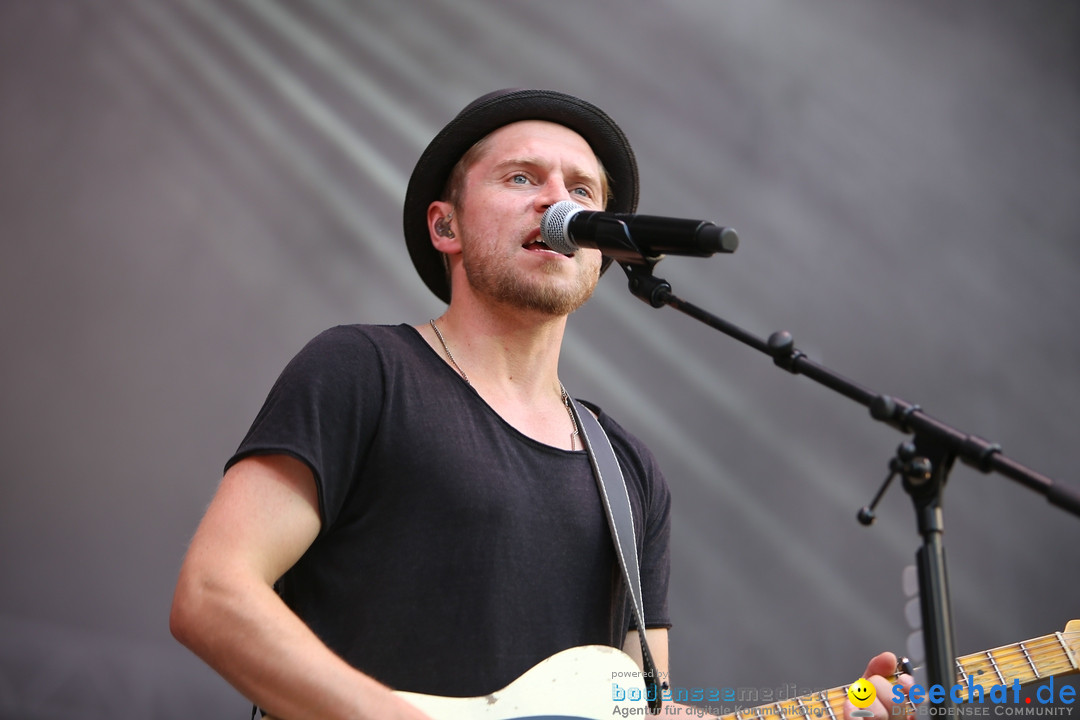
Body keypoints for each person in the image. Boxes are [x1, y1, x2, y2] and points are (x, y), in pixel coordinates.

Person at [170, 88, 913, 720]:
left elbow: (640, 711)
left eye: (582, 191)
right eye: (523, 178)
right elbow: (212, 593)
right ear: (445, 226)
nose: (559, 201)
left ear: (603, 249)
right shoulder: (364, 370)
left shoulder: (628, 473)